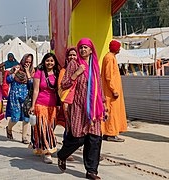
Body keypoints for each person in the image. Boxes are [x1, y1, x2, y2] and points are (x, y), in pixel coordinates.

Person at [57, 38, 108, 180]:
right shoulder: (74, 64)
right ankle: (62, 155)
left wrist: (103, 103)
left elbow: (99, 87)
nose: (83, 50)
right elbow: (64, 84)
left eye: (86, 47)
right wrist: (77, 73)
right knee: (78, 138)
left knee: (95, 139)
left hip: (94, 108)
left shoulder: (94, 65)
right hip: (79, 107)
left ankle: (92, 171)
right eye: (81, 48)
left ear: (91, 50)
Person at [29, 53, 60, 164]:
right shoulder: (39, 72)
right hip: (40, 104)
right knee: (44, 128)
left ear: (55, 62)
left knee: (50, 128)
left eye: (52, 61)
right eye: (47, 60)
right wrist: (32, 105)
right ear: (44, 61)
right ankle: (48, 153)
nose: (49, 63)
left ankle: (41, 146)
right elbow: (36, 90)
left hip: (53, 106)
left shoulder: (57, 73)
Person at [101, 40, 127, 142]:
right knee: (112, 113)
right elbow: (108, 76)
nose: (120, 49)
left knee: (111, 112)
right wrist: (114, 90)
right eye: (119, 47)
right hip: (110, 92)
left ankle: (108, 133)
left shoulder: (110, 57)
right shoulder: (109, 58)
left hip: (110, 91)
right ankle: (111, 133)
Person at [5, 54, 34, 144]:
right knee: (15, 117)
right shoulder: (15, 68)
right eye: (26, 61)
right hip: (15, 95)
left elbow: (31, 84)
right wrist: (14, 73)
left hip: (26, 96)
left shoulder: (32, 70)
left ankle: (24, 137)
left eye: (29, 62)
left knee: (26, 118)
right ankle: (9, 129)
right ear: (23, 60)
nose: (27, 64)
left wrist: (27, 72)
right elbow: (8, 80)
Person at [57, 47, 77, 161]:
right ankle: (66, 151)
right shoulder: (63, 71)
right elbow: (61, 88)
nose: (72, 57)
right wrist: (65, 102)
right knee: (68, 127)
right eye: (70, 55)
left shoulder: (80, 69)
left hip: (78, 103)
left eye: (74, 55)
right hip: (67, 103)